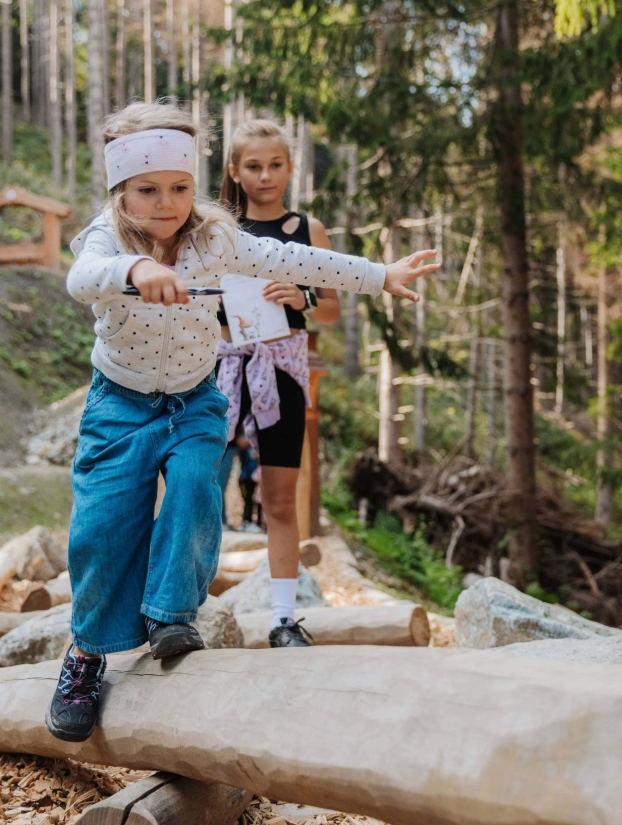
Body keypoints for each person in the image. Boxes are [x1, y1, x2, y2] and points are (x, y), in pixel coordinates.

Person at [49, 101, 437, 743]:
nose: (166, 203)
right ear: (121, 189)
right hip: (118, 405)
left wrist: (379, 275)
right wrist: (137, 268)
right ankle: (86, 655)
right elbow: (81, 279)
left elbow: (293, 262)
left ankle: (172, 613)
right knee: (100, 530)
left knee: (200, 485)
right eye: (148, 191)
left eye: (179, 188)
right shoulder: (107, 237)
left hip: (196, 399)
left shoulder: (214, 236)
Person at [217, 119, 342, 648]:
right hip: (220, 368)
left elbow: (333, 309)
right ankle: (177, 610)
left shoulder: (307, 231)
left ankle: (284, 619)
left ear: (290, 168)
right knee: (195, 488)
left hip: (284, 369)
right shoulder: (216, 229)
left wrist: (304, 298)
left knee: (280, 499)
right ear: (234, 171)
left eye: (275, 165)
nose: (265, 175)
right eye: (253, 166)